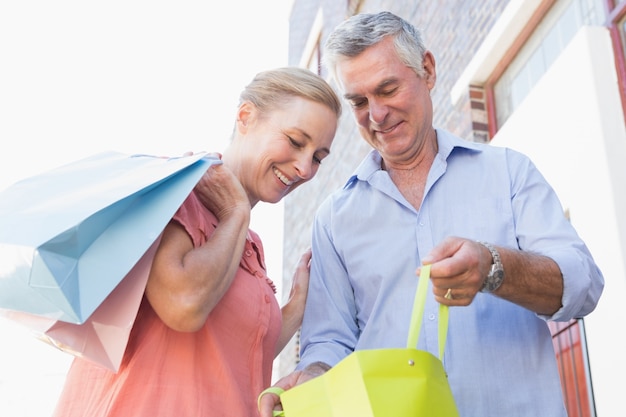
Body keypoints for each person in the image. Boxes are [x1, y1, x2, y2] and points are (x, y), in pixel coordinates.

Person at [259, 11, 604, 417]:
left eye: (387, 89)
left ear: (427, 70)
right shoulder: (334, 219)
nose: (376, 114)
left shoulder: (509, 173)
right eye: (359, 101)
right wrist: (312, 376)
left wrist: (494, 268)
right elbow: (329, 342)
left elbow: (583, 284)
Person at [52, 67, 341, 417]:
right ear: (246, 117)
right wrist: (236, 212)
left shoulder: (250, 244)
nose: (305, 169)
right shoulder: (175, 190)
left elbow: (235, 354)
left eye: (318, 158)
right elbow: (184, 304)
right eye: (296, 142)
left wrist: (296, 307)